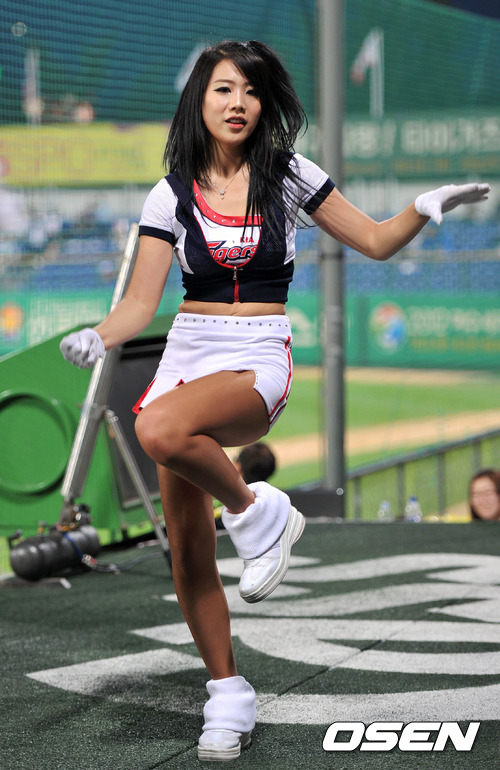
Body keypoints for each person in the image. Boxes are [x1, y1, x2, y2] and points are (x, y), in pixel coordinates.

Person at [59, 40, 490, 761]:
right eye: (224, 89)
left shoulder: (290, 175)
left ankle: (256, 510)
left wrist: (421, 207)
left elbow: (375, 241)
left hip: (258, 352)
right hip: (188, 350)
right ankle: (227, 692)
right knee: (186, 548)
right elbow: (138, 304)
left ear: (265, 104)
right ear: (200, 99)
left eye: (251, 92)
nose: (238, 103)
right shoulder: (169, 193)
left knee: (156, 428)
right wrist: (99, 336)